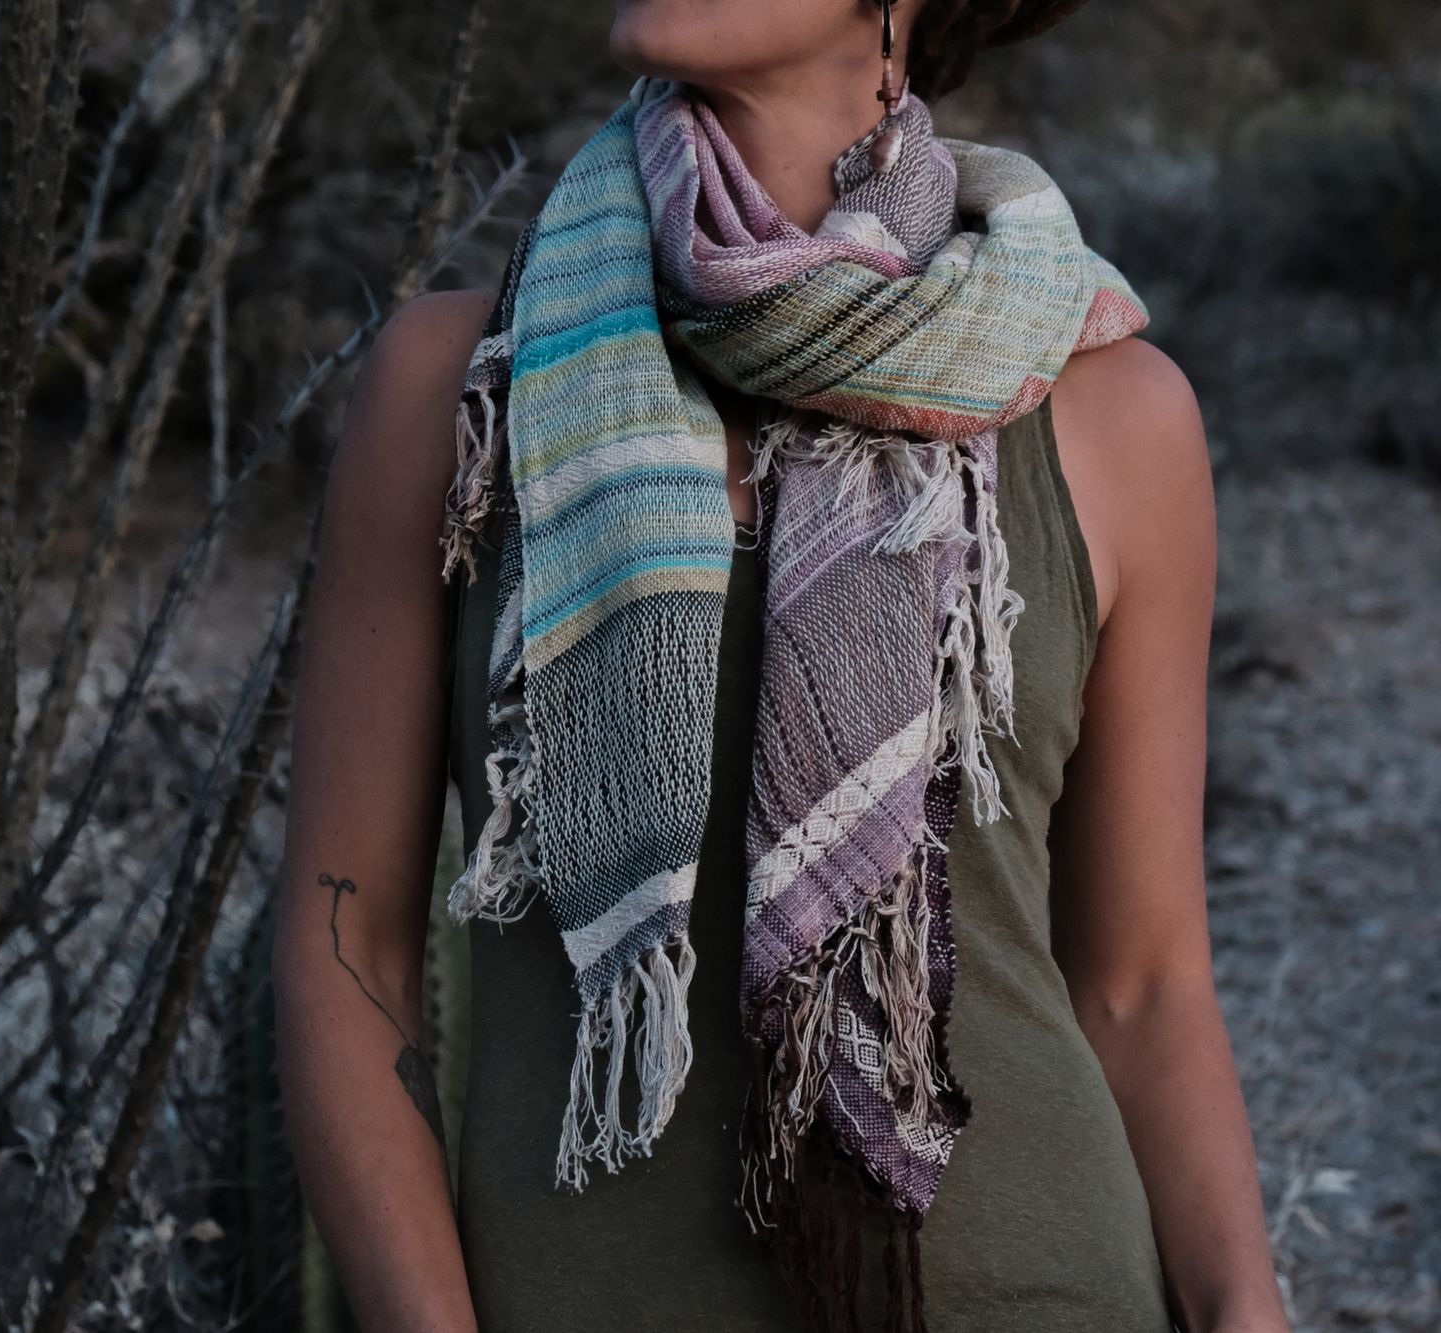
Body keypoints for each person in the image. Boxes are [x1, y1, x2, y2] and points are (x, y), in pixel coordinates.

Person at [271, 1, 1288, 1330]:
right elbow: (349, 938)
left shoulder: (1115, 418)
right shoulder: (451, 389)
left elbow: (1142, 983)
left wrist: (1247, 1313)